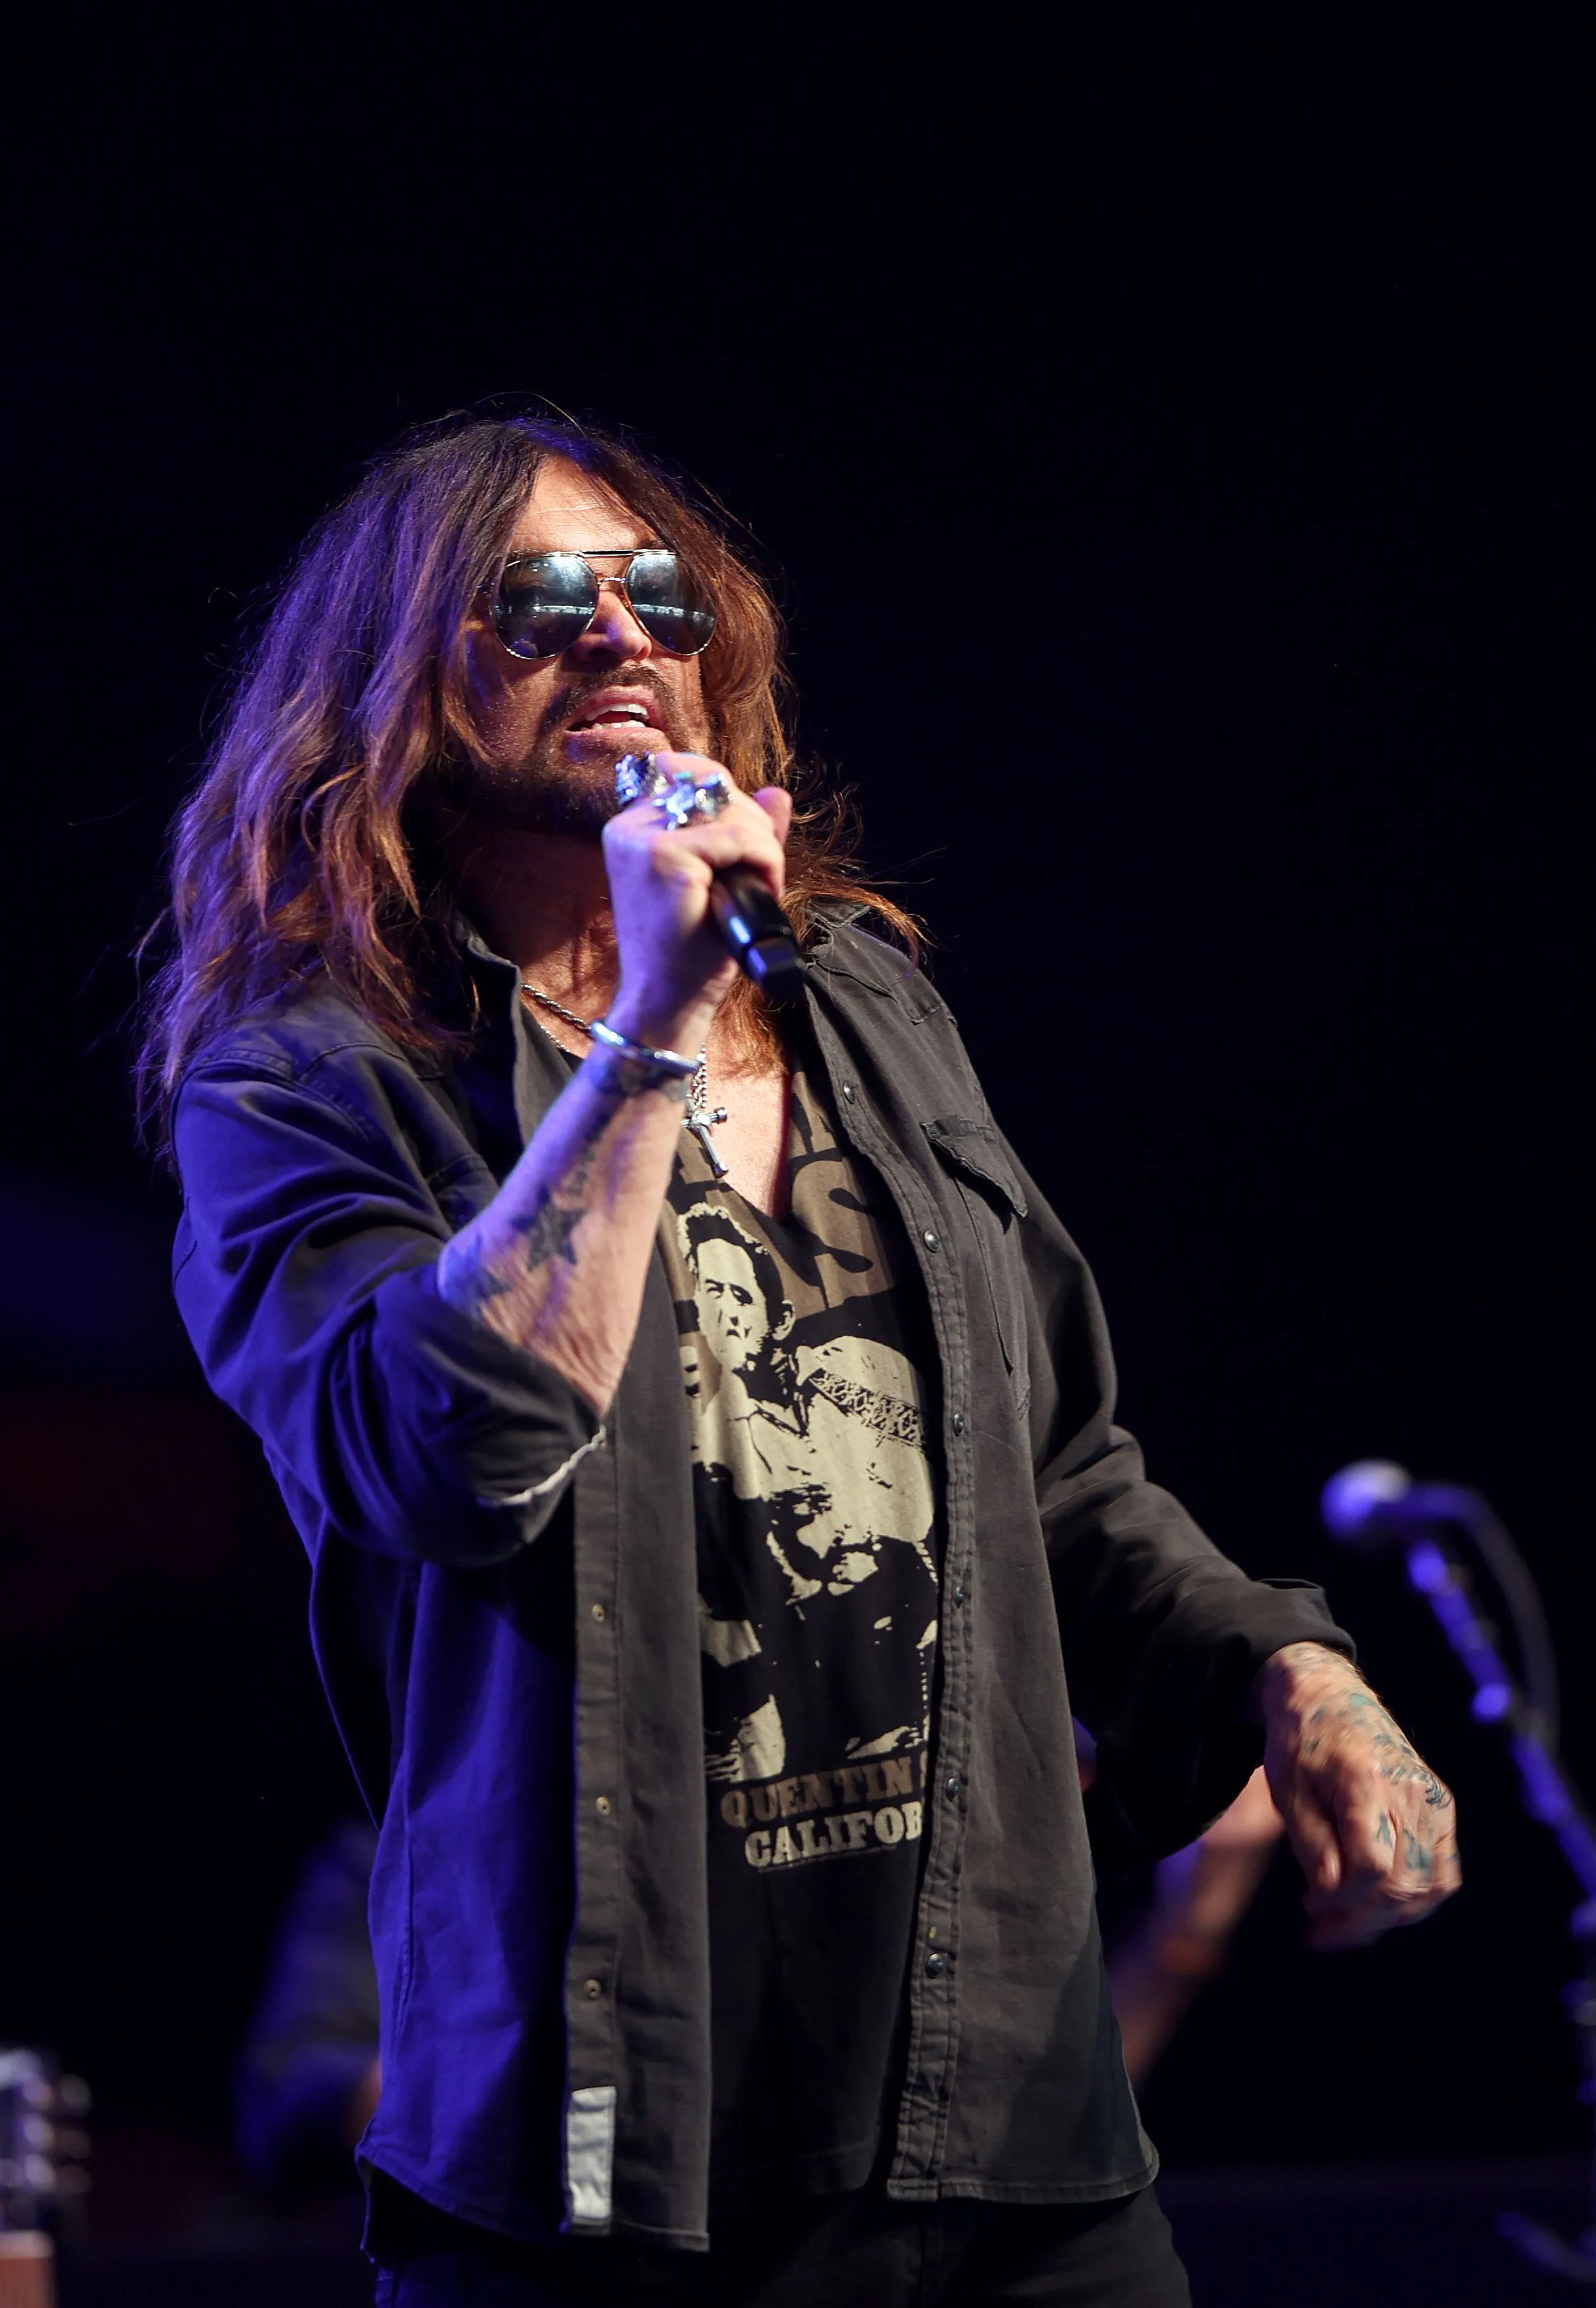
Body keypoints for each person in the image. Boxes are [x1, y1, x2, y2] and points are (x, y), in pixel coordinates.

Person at [142, 414, 1460, 2306]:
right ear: (387, 679)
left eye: (657, 594)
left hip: (1005, 2122)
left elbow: (1058, 1468)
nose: (617, 634)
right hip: (612, 2168)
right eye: (536, 599)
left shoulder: (855, 997)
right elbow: (437, 1453)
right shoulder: (314, 1080)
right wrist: (652, 1026)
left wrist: (1289, 1662)